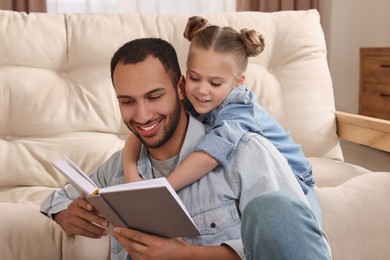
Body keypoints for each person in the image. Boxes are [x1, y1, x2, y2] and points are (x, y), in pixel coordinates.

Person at [41, 37, 331, 260]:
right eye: (127, 102)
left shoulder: (244, 150)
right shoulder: (118, 167)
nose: (142, 116)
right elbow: (57, 198)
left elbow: (287, 246)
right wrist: (65, 215)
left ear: (181, 88)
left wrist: (187, 255)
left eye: (154, 96)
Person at [123, 16, 322, 224]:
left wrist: (162, 189)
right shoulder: (192, 99)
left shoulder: (239, 107)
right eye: (194, 78)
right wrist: (131, 175)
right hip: (241, 178)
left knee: (305, 232)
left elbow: (210, 155)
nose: (202, 90)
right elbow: (142, 132)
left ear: (238, 82)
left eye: (215, 83)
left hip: (294, 178)